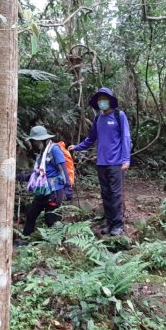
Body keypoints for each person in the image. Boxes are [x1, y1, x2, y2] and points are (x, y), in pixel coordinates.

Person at [69, 87, 131, 236]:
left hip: (116, 162)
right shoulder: (98, 118)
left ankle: (117, 225)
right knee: (105, 194)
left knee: (115, 194)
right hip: (101, 162)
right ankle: (109, 223)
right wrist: (77, 147)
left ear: (110, 100)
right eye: (99, 99)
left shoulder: (119, 115)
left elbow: (126, 138)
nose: (102, 101)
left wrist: (126, 159)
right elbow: (91, 139)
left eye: (104, 98)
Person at [19, 125, 69, 240]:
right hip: (42, 191)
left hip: (54, 192)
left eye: (36, 141)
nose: (35, 143)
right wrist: (22, 177)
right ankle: (25, 239)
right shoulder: (42, 152)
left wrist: (67, 188)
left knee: (50, 219)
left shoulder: (54, 149)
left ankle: (60, 243)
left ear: (43, 139)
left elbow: (63, 169)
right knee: (31, 215)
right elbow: (39, 172)